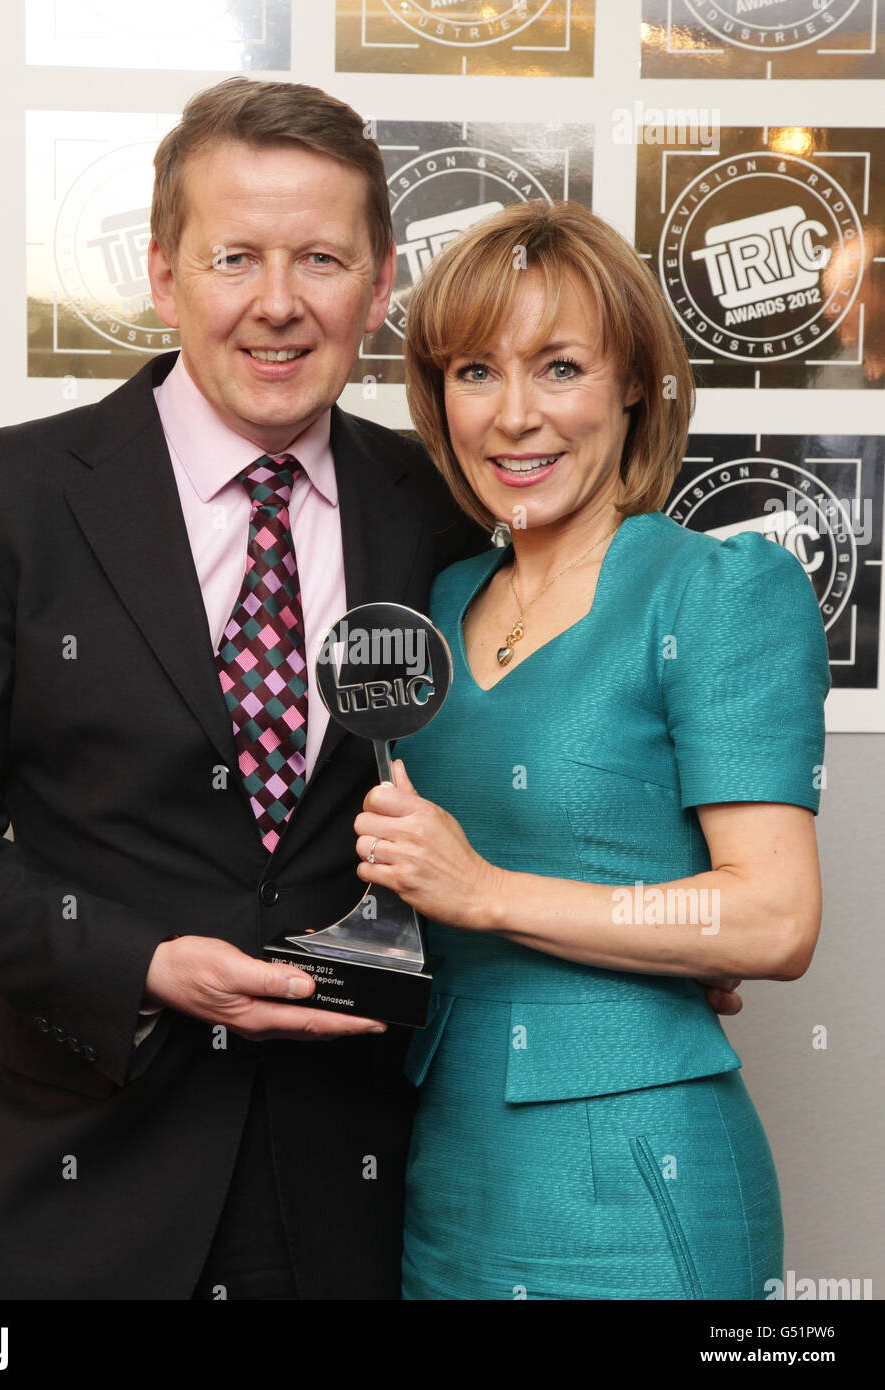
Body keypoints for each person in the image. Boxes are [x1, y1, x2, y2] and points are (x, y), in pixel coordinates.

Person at [0, 82, 739, 1302]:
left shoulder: (448, 507)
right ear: (163, 277)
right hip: (88, 1184)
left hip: (364, 1183)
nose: (278, 302)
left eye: (320, 258)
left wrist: (649, 940)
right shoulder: (0, 503)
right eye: (234, 257)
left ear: (378, 289)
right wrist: (142, 960)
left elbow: (560, 738)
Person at [354, 200, 830, 1300]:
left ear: (631, 383)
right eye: (474, 372)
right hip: (450, 1167)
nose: (513, 416)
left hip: (637, 1171)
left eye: (557, 366)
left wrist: (489, 893)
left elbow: (773, 917)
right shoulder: (430, 602)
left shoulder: (718, 590)